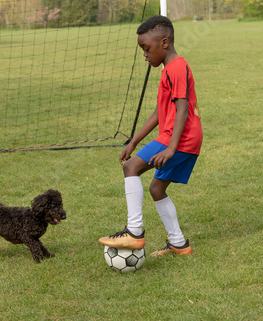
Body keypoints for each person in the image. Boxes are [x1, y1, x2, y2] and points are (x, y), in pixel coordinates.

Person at [98, 15, 203, 257]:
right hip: (182, 138)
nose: (145, 54)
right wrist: (133, 141)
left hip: (180, 138)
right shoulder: (169, 70)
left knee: (131, 168)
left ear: (164, 43)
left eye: (146, 48)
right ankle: (179, 244)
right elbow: (159, 112)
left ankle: (134, 232)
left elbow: (182, 108)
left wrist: (170, 148)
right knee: (157, 189)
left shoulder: (177, 67)